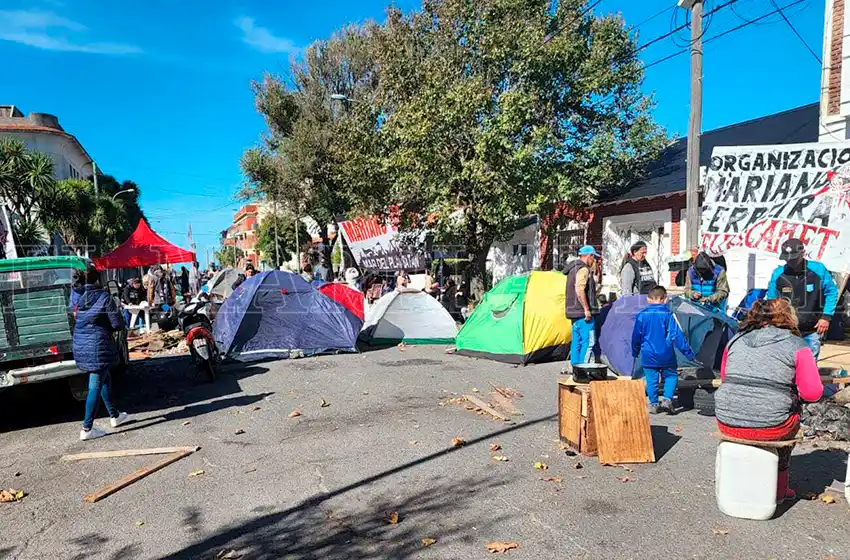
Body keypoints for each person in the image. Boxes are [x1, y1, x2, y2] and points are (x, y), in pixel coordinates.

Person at [715, 298, 823, 502]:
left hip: (727, 421)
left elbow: (725, 377)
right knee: (792, 416)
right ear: (788, 316)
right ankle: (779, 489)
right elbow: (812, 393)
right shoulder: (797, 345)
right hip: (772, 426)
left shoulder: (735, 340)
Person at [73, 264, 129, 441]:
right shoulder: (104, 296)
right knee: (95, 385)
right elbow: (117, 324)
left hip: (81, 343)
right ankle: (87, 428)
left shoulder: (76, 295)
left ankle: (115, 415)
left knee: (104, 379)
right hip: (98, 345)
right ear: (98, 279)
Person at [766, 238, 838, 359]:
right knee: (785, 361)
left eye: (794, 259)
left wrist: (826, 317)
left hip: (812, 329)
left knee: (809, 362)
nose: (791, 262)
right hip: (785, 329)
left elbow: (831, 292)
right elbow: (771, 300)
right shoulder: (778, 273)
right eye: (788, 259)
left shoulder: (818, 270)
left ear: (803, 253)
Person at [631, 286, 696, 414]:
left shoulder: (641, 315)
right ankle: (667, 399)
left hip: (648, 353)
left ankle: (653, 404)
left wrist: (635, 351)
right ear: (664, 299)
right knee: (671, 376)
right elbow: (677, 335)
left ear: (648, 299)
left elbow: (636, 336)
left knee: (651, 380)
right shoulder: (668, 314)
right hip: (666, 353)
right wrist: (688, 353)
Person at [565, 245, 601, 366]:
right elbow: (579, 289)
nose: (594, 260)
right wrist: (586, 309)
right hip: (582, 313)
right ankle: (584, 369)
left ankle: (575, 369)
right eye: (594, 257)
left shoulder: (573, 269)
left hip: (573, 312)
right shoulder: (583, 269)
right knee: (589, 342)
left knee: (577, 342)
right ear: (589, 256)